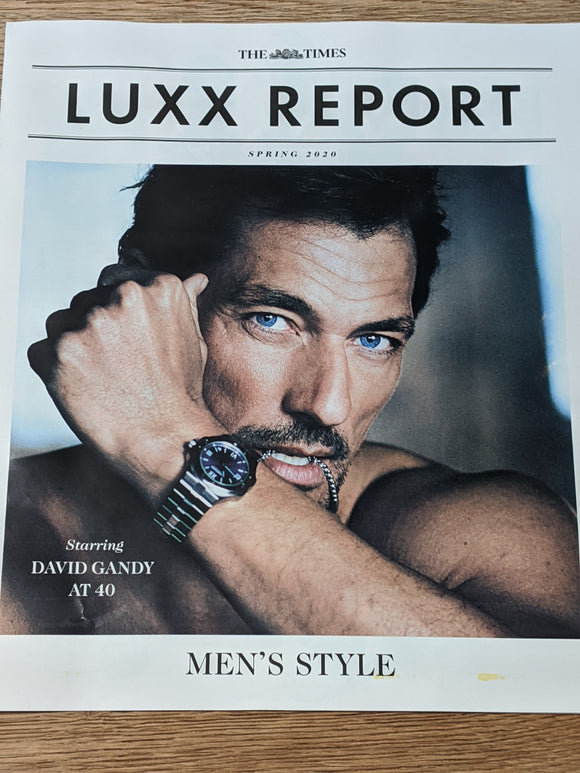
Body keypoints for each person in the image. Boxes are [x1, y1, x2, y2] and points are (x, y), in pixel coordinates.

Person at [0, 165, 578, 637]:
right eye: (271, 320)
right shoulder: (16, 529)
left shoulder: (477, 529)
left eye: (373, 340)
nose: (328, 406)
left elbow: (528, 702)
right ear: (146, 296)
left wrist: (165, 441)